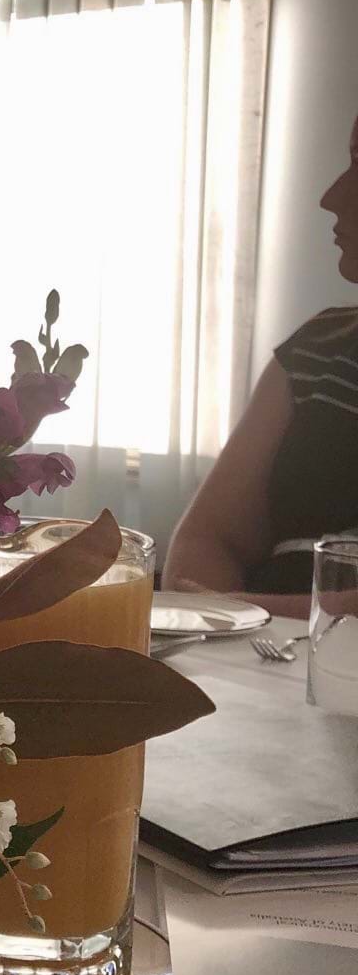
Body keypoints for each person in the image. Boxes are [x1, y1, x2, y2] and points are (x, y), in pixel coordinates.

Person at [165, 114, 358, 618]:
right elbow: (207, 545)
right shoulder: (319, 349)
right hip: (260, 670)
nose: (332, 196)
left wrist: (245, 611)